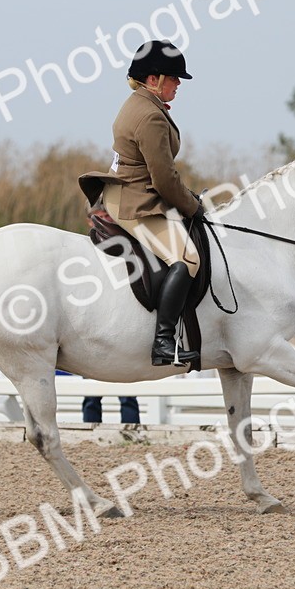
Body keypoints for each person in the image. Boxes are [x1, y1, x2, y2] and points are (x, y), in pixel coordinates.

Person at [78, 39, 201, 367]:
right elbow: (163, 179)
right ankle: (163, 342)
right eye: (174, 78)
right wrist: (192, 206)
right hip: (135, 201)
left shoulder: (138, 103)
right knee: (188, 260)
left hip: (126, 189)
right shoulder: (150, 116)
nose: (178, 84)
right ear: (153, 79)